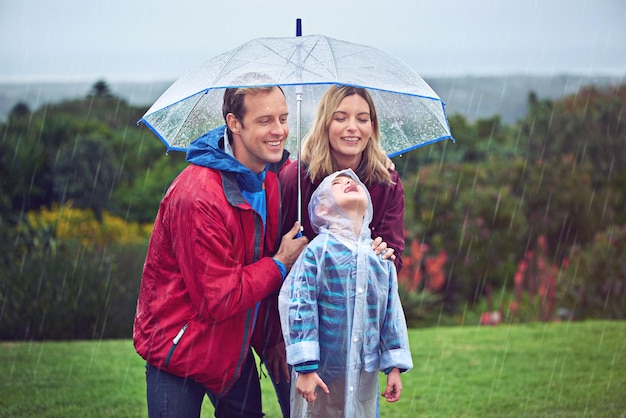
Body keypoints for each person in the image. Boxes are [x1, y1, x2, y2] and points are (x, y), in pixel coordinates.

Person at [133, 84, 309, 417]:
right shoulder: (198, 195)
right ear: (234, 123)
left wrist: (270, 336)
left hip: (232, 350)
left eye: (283, 118)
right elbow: (219, 298)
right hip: (180, 351)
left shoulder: (268, 180)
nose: (280, 131)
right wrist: (281, 262)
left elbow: (255, 267)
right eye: (265, 120)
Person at [279, 169, 413, 417]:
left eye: (353, 182)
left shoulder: (380, 257)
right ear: (322, 210)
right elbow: (299, 306)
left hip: (364, 370)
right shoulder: (317, 253)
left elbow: (391, 313)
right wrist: (306, 367)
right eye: (337, 184)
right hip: (322, 370)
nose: (348, 183)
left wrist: (394, 366)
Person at [279, 85, 406, 273]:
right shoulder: (296, 179)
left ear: (371, 127)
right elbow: (278, 250)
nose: (352, 127)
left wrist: (383, 256)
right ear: (325, 123)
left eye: (362, 119)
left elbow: (393, 260)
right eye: (340, 118)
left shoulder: (387, 183)